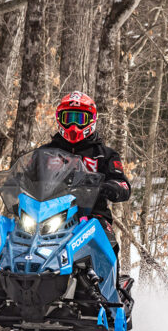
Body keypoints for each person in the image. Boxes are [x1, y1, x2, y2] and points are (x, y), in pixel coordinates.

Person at [39, 91, 131, 254]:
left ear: (92, 120)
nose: (74, 125)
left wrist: (110, 186)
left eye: (80, 119)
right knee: (16, 237)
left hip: (92, 215)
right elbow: (24, 177)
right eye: (69, 119)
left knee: (107, 243)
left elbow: (123, 184)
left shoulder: (105, 154)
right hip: (49, 215)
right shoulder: (45, 153)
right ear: (60, 119)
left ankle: (112, 279)